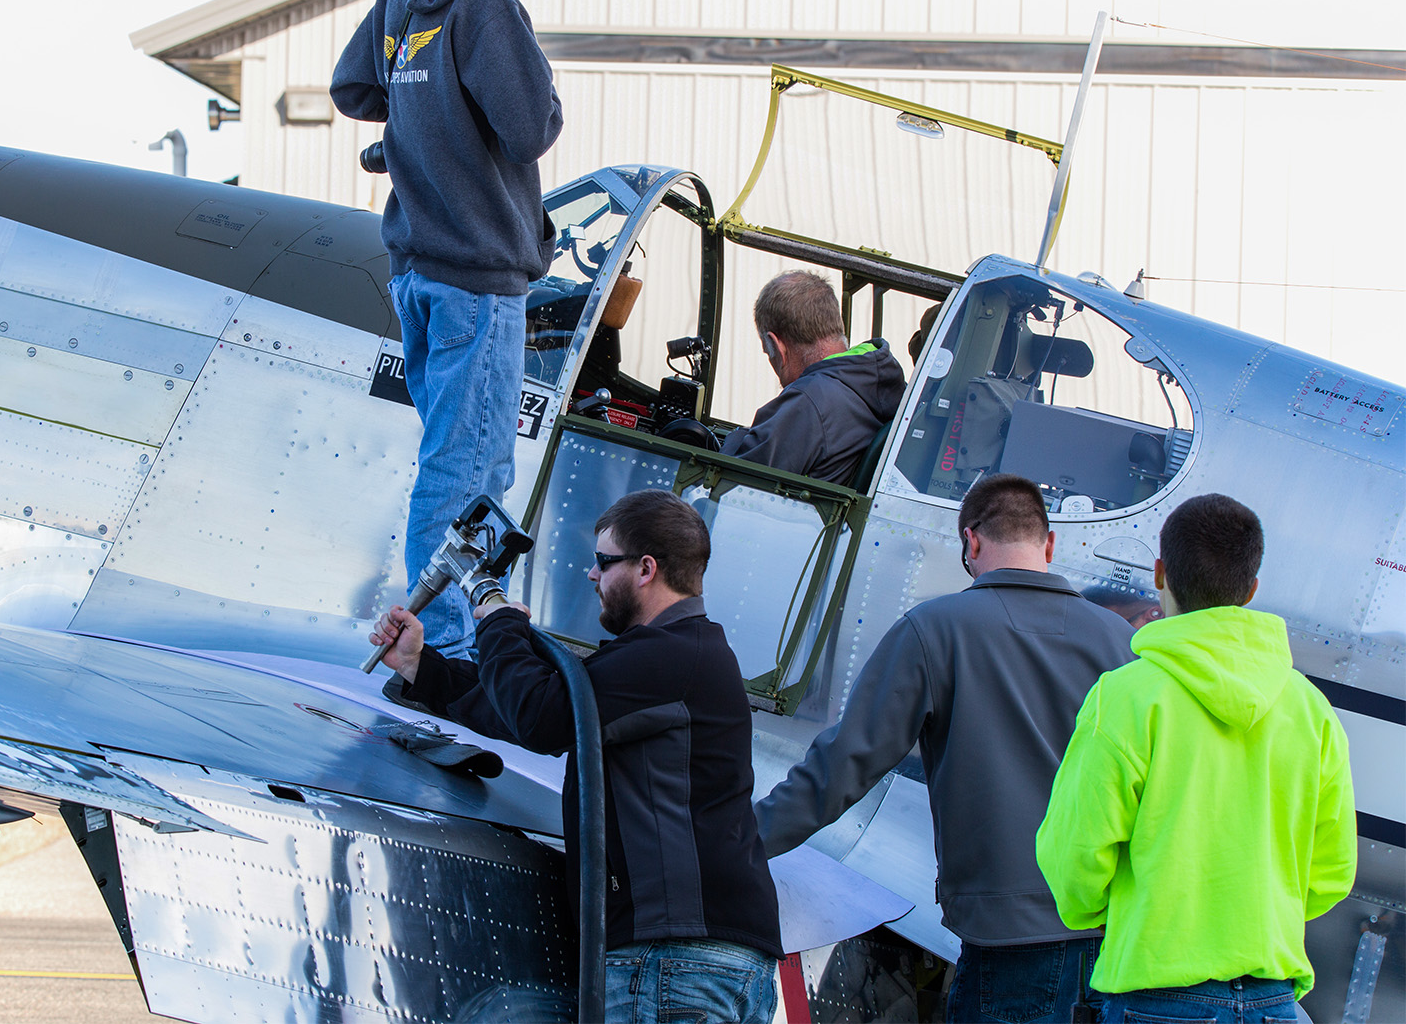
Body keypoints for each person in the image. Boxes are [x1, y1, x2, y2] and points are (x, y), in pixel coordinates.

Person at [370, 489, 783, 1023]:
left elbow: (541, 717)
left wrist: (496, 615)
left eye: (603, 561)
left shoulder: (672, 655)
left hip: (671, 961)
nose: (592, 575)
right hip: (696, 963)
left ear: (646, 569)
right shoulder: (677, 655)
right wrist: (420, 667)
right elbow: (541, 710)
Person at [753, 473, 1135, 1023]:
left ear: (971, 542)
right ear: (1049, 545)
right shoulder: (1120, 643)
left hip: (1008, 943)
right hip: (1115, 946)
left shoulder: (934, 630)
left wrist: (743, 842)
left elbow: (843, 768)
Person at [1037, 494, 1356, 1023]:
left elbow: (1074, 855)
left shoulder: (1127, 696)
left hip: (1157, 998)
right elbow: (1332, 872)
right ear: (1251, 589)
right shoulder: (1310, 708)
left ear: (1160, 574)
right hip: (1274, 1001)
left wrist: (1122, 915)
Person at [332, 0, 563, 659]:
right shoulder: (488, 2)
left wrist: (425, 124)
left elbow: (353, 86)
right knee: (469, 476)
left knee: (450, 460)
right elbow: (532, 127)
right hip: (478, 278)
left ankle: (441, 639)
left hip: (419, 268)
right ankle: (451, 652)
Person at [720, 271, 905, 485]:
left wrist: (735, 438)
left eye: (767, 352)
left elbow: (732, 484)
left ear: (778, 347)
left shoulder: (809, 400)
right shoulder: (878, 378)